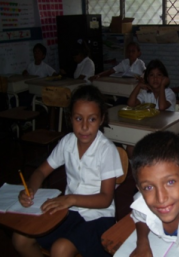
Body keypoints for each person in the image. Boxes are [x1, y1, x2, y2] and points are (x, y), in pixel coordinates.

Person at [12, 85, 123, 257]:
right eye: (79, 118)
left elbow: (106, 199)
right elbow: (40, 172)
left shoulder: (106, 150)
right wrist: (30, 190)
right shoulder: (67, 142)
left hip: (98, 217)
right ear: (70, 118)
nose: (84, 126)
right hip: (69, 211)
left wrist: (70, 199)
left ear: (101, 119)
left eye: (92, 119)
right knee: (20, 238)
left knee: (60, 249)